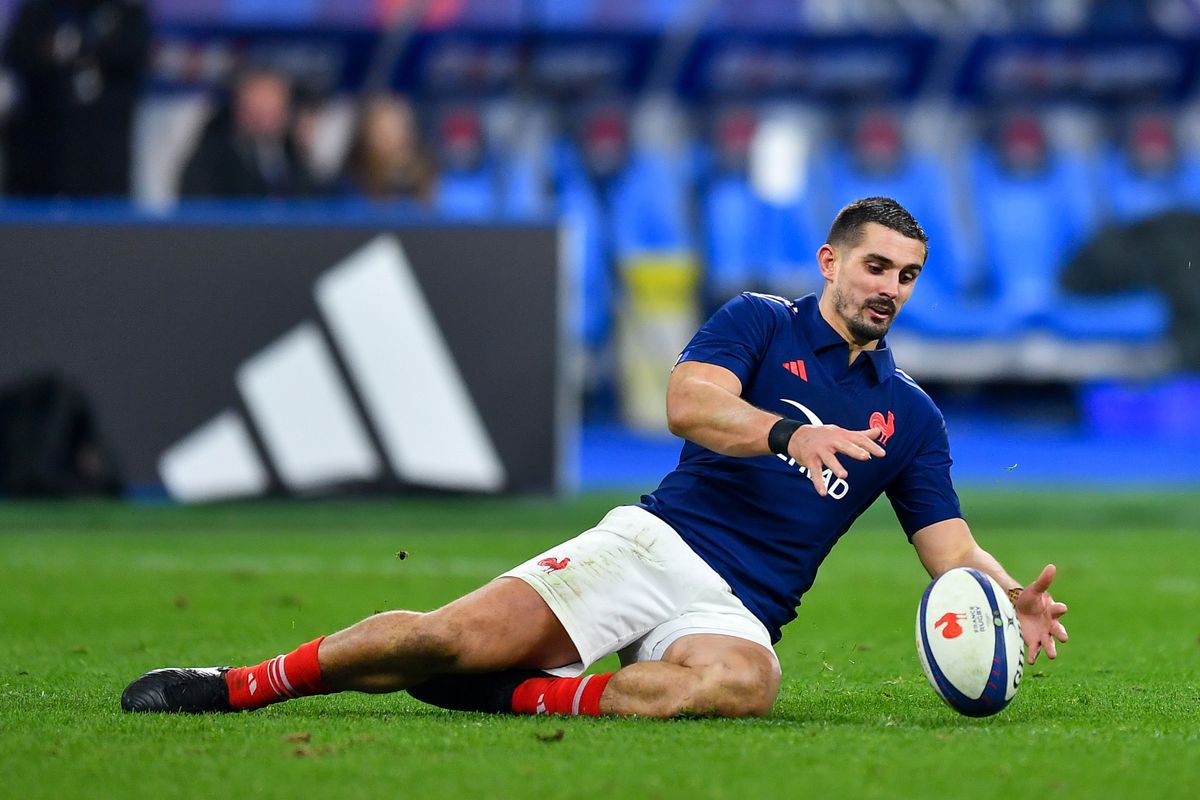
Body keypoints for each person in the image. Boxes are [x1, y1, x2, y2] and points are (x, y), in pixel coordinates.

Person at [122, 197, 1069, 719]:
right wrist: (789, 432)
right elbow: (685, 405)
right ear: (829, 261)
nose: (890, 288)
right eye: (875, 267)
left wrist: (999, 591)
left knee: (745, 687)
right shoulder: (756, 322)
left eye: (907, 276)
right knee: (437, 641)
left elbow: (948, 549)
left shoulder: (911, 415)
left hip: (740, 610)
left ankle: (525, 695)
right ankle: (238, 684)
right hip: (652, 546)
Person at [2, 0, 149, 197]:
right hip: (42, 165)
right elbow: (20, 54)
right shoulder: (38, 12)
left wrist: (77, 44)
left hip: (102, 166)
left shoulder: (124, 13)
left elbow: (133, 51)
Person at [178, 66, 319, 199]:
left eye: (272, 112)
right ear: (238, 110)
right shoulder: (210, 160)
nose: (264, 121)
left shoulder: (292, 156)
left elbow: (316, 199)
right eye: (257, 111)